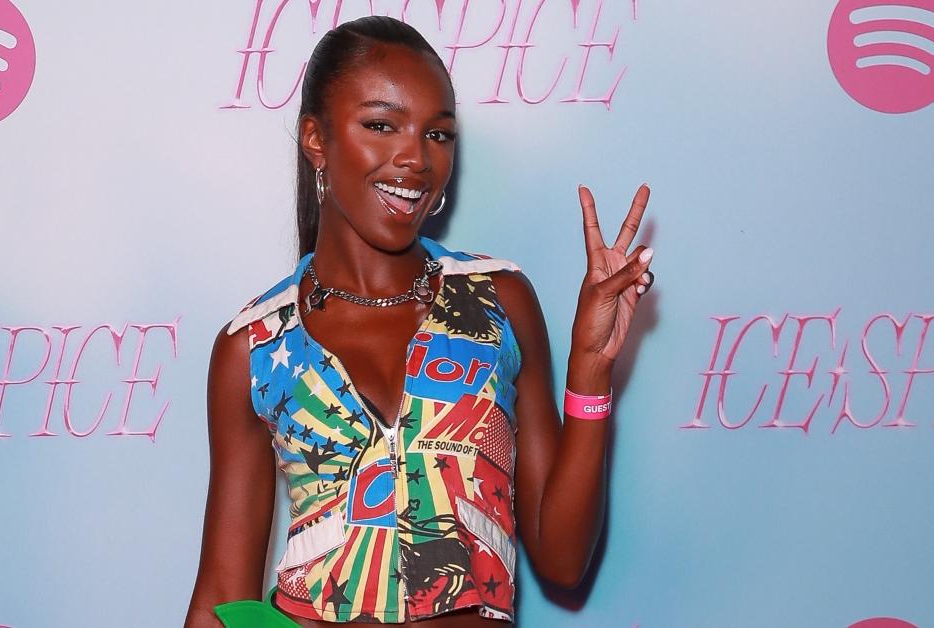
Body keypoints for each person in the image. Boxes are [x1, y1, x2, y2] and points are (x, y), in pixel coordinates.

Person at [185, 15, 655, 628]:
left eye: (438, 135)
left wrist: (591, 369)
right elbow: (222, 598)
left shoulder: (498, 302)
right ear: (315, 138)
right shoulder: (254, 345)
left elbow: (563, 561)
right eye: (381, 125)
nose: (415, 158)